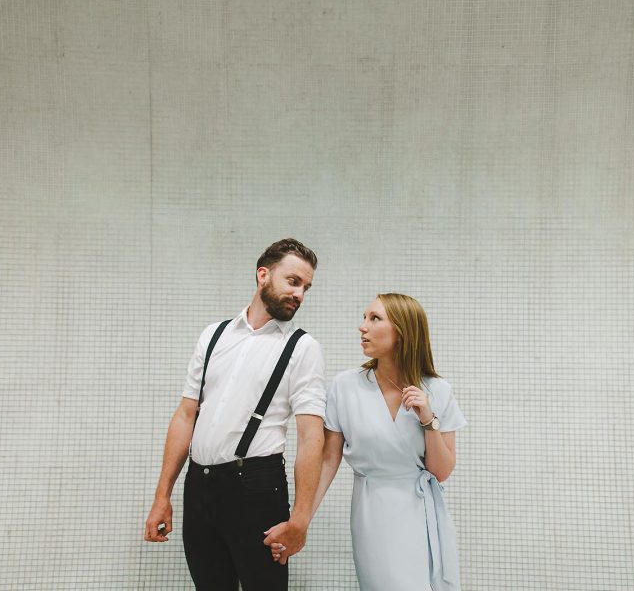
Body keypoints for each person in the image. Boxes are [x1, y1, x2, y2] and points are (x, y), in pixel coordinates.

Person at [144, 238, 326, 591]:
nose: (300, 294)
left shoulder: (303, 348)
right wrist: (162, 495)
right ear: (263, 275)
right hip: (199, 484)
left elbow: (311, 436)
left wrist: (300, 519)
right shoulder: (213, 336)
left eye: (306, 287)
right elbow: (185, 416)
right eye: (293, 281)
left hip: (257, 486)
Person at [278, 293, 466, 590]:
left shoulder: (437, 390)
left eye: (374, 318)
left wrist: (428, 419)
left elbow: (441, 471)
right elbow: (328, 460)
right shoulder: (345, 386)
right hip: (372, 512)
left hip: (421, 513)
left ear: (402, 331)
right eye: (364, 317)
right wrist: (299, 521)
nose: (362, 327)